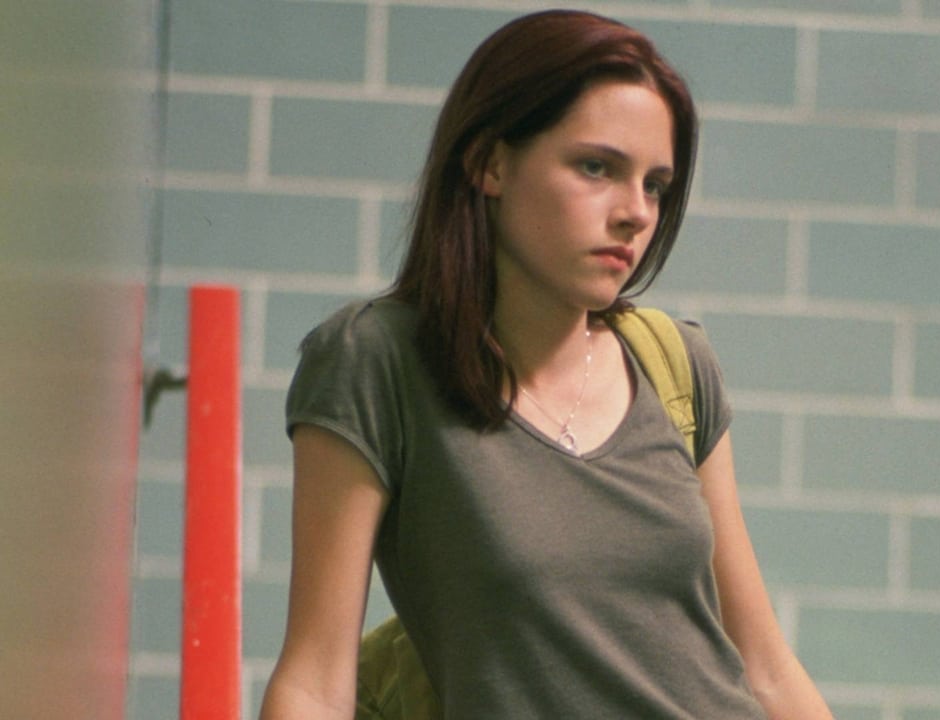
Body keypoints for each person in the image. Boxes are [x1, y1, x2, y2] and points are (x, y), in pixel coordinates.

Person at [259, 9, 834, 719]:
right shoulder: (376, 361)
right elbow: (314, 682)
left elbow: (766, 669)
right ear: (490, 163)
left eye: (655, 185)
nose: (635, 213)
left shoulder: (675, 363)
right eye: (597, 167)